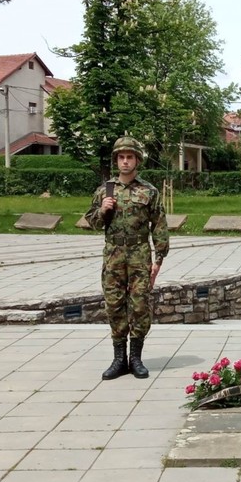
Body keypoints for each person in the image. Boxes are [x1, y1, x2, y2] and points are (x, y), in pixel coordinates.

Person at [85, 136, 169, 380]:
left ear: (137, 160)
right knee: (114, 305)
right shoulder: (105, 190)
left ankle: (136, 358)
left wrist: (159, 258)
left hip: (140, 254)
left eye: (129, 157)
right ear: (116, 160)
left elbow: (159, 225)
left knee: (140, 305)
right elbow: (91, 221)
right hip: (113, 255)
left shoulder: (149, 191)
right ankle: (119, 359)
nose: (125, 162)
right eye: (121, 157)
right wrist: (103, 210)